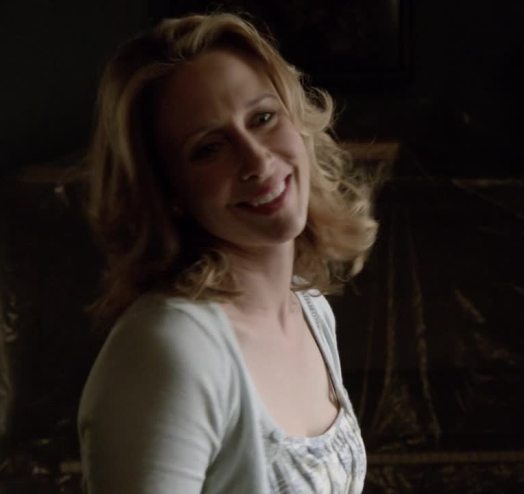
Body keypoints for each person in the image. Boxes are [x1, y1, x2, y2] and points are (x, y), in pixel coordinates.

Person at [77, 12, 377, 493]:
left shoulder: (311, 310)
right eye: (209, 148)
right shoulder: (168, 349)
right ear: (168, 190)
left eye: (263, 118)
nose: (257, 160)